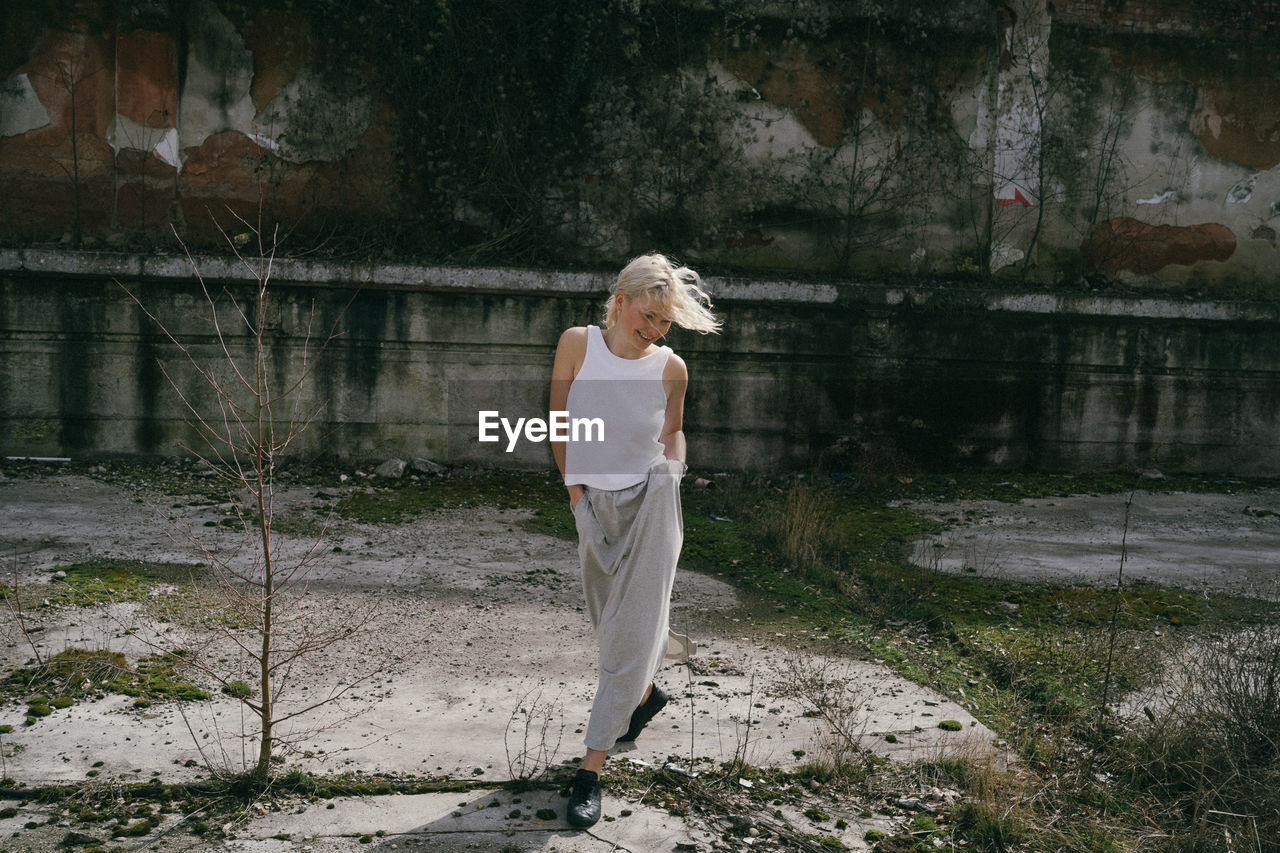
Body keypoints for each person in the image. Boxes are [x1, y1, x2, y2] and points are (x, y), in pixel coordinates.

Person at [550, 253, 721, 828]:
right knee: (611, 630)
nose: (652, 330)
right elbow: (557, 421)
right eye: (646, 317)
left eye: (664, 323)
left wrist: (673, 471)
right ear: (619, 301)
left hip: (652, 505)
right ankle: (644, 697)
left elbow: (672, 433)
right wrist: (575, 497)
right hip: (593, 504)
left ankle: (590, 771)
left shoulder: (671, 368)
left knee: (623, 643)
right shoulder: (578, 345)